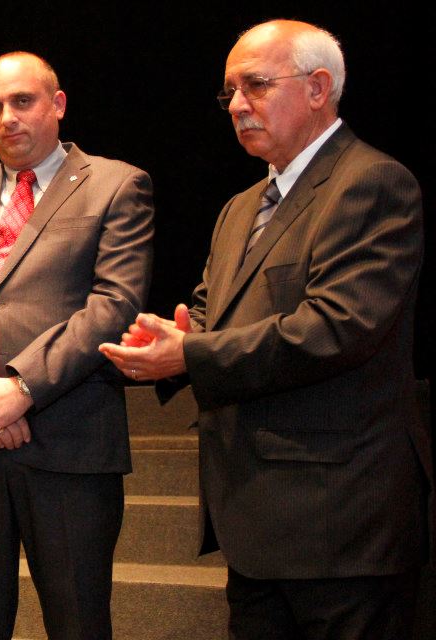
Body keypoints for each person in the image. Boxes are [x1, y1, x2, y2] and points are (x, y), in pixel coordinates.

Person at [100, 20, 432, 639]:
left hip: (341, 528)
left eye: (255, 85)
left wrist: (192, 353)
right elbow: (209, 312)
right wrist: (168, 338)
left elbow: (337, 327)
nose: (236, 105)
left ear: (318, 87)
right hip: (255, 525)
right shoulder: (240, 207)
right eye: (229, 91)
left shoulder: (372, 182)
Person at [0, 52, 154, 639]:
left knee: (77, 622)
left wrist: (21, 389)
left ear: (57, 105)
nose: (7, 117)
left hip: (67, 442)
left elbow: (114, 305)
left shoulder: (118, 184)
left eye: (22, 101)